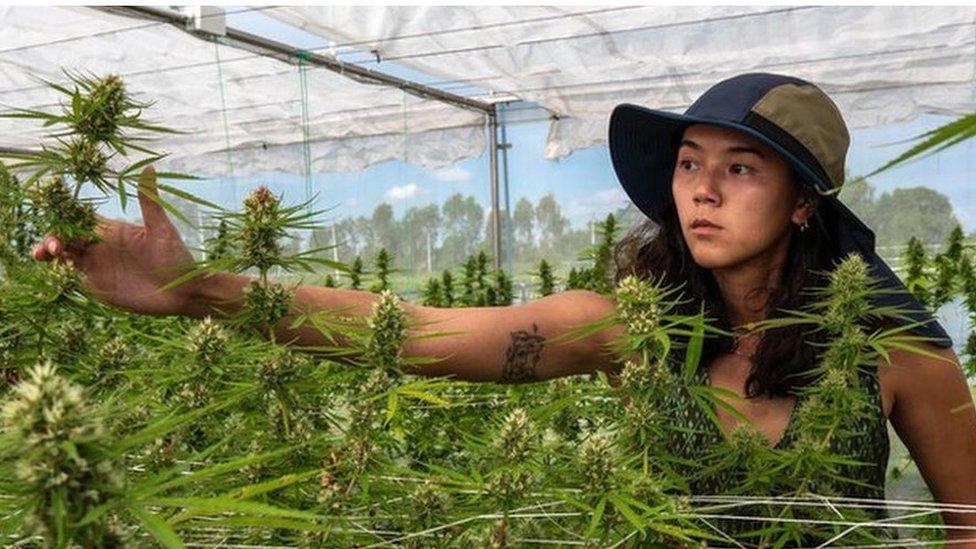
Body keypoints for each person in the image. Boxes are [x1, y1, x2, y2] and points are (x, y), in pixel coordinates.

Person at [33, 73, 976, 542]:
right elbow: (417, 331)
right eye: (690, 162)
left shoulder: (896, 356)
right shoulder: (631, 331)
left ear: (805, 201)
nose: (703, 189)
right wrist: (202, 291)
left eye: (741, 168)